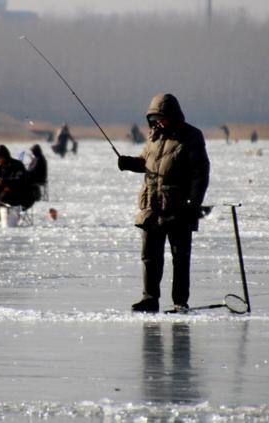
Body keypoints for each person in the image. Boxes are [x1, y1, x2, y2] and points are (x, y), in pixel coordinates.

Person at [117, 93, 210, 313]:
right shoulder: (154, 136)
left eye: (161, 117)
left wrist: (193, 204)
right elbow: (146, 162)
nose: (157, 122)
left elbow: (200, 174)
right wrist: (129, 163)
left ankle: (180, 301)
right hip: (152, 206)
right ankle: (150, 299)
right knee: (150, 257)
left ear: (173, 116)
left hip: (179, 209)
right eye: (154, 118)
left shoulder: (191, 136)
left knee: (180, 258)